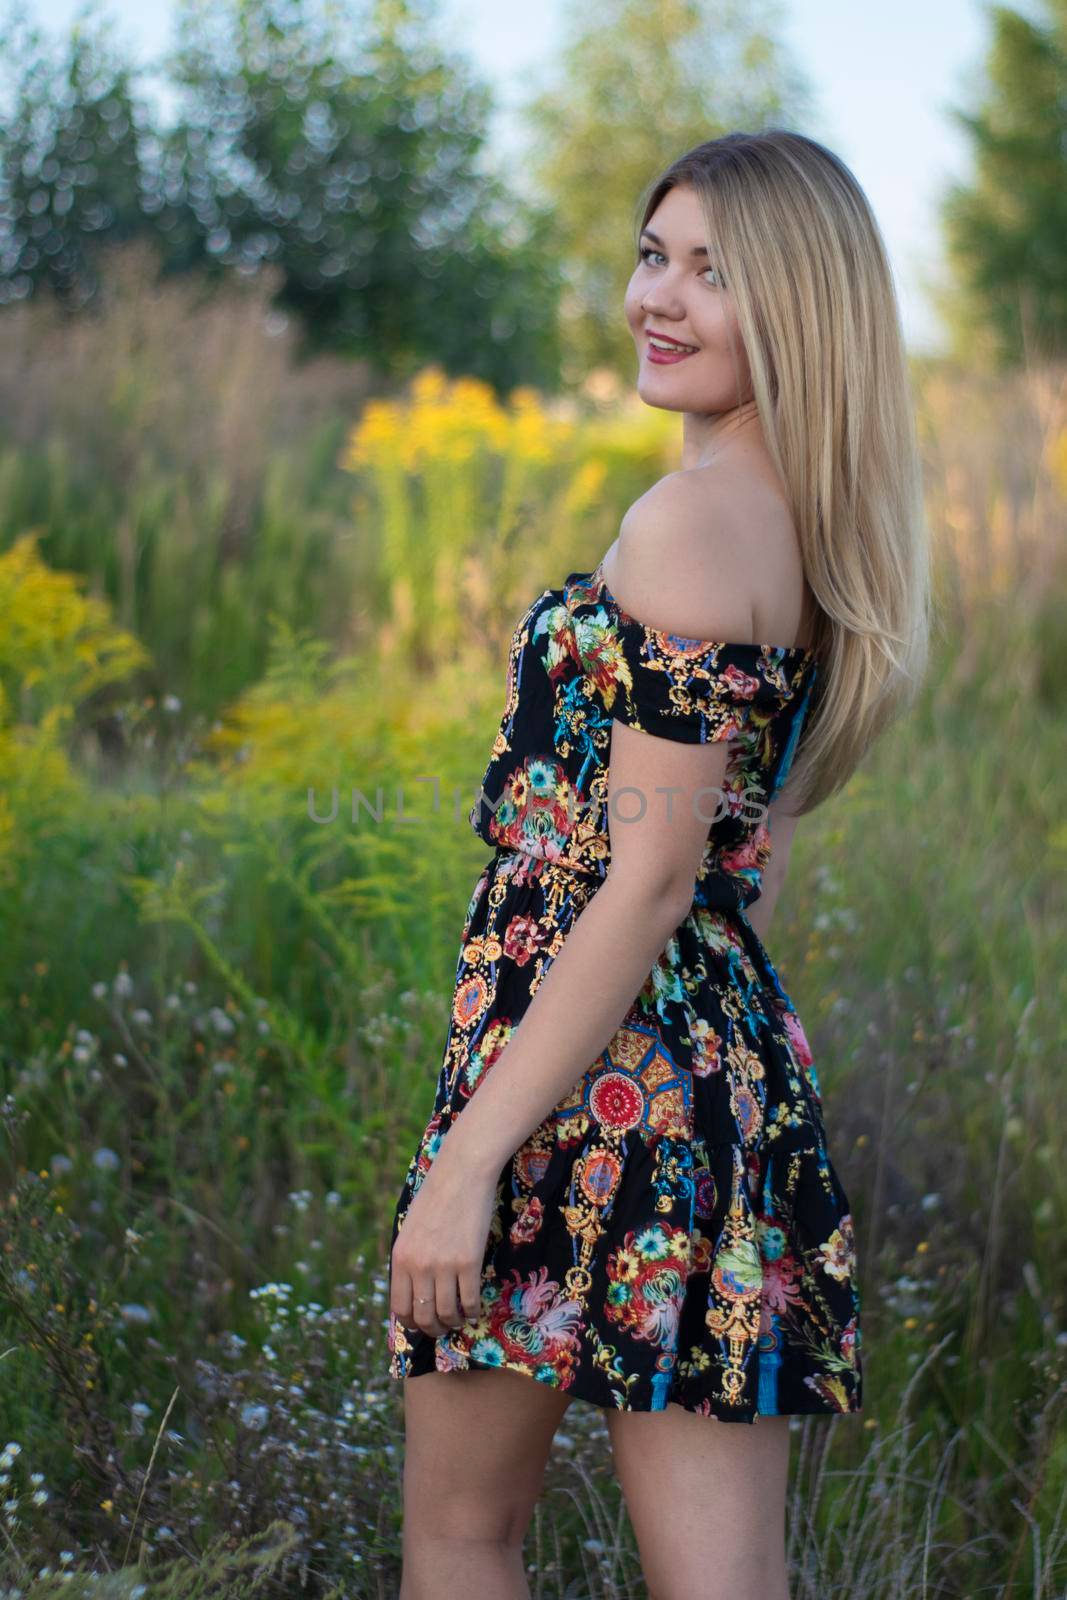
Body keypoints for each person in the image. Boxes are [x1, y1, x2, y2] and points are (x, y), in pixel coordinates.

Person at [385, 128, 931, 1600]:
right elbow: (749, 872)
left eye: (714, 271)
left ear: (803, 310)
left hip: (578, 1069)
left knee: (461, 1534)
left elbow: (639, 884)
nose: (658, 298)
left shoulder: (689, 523)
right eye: (652, 254)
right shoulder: (815, 541)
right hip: (717, 1086)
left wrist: (469, 1164)